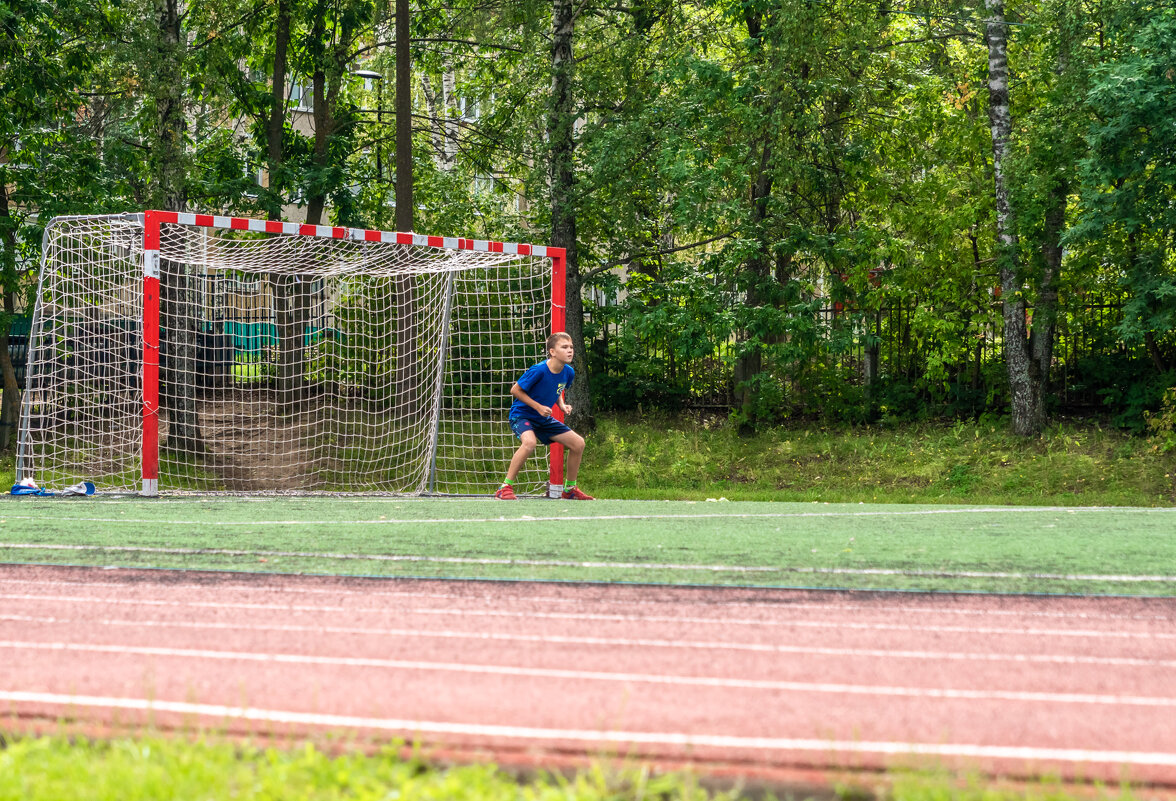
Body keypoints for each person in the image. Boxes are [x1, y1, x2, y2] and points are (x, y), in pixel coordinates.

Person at [495, 331, 594, 500]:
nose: (570, 350)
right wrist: (538, 407)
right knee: (529, 443)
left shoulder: (568, 372)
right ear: (552, 352)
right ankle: (504, 488)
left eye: (571, 347)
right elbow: (515, 390)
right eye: (564, 347)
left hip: (543, 419)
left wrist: (562, 405)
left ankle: (569, 489)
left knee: (578, 444)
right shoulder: (539, 370)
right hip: (522, 415)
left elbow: (558, 389)